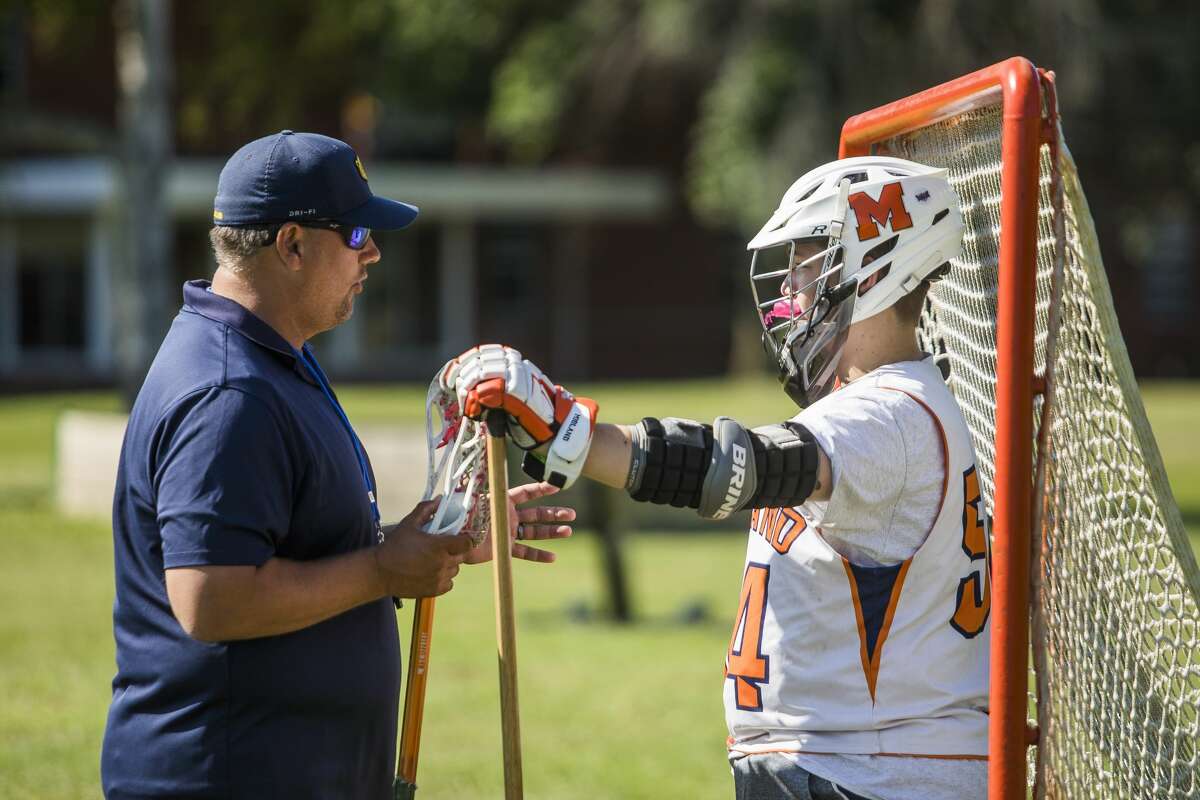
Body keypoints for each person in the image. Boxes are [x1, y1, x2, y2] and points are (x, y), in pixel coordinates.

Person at [447, 157, 990, 799]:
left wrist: (569, 430)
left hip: (871, 775)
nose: (794, 285)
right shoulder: (880, 407)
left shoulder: (891, 415)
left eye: (812, 260)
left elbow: (744, 466)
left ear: (874, 266)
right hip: (849, 765)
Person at [101, 131, 573, 800]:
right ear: (291, 244)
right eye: (356, 234)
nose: (373, 253)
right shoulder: (228, 391)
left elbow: (291, 548)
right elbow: (211, 600)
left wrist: (422, 543)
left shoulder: (273, 359)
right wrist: (383, 569)